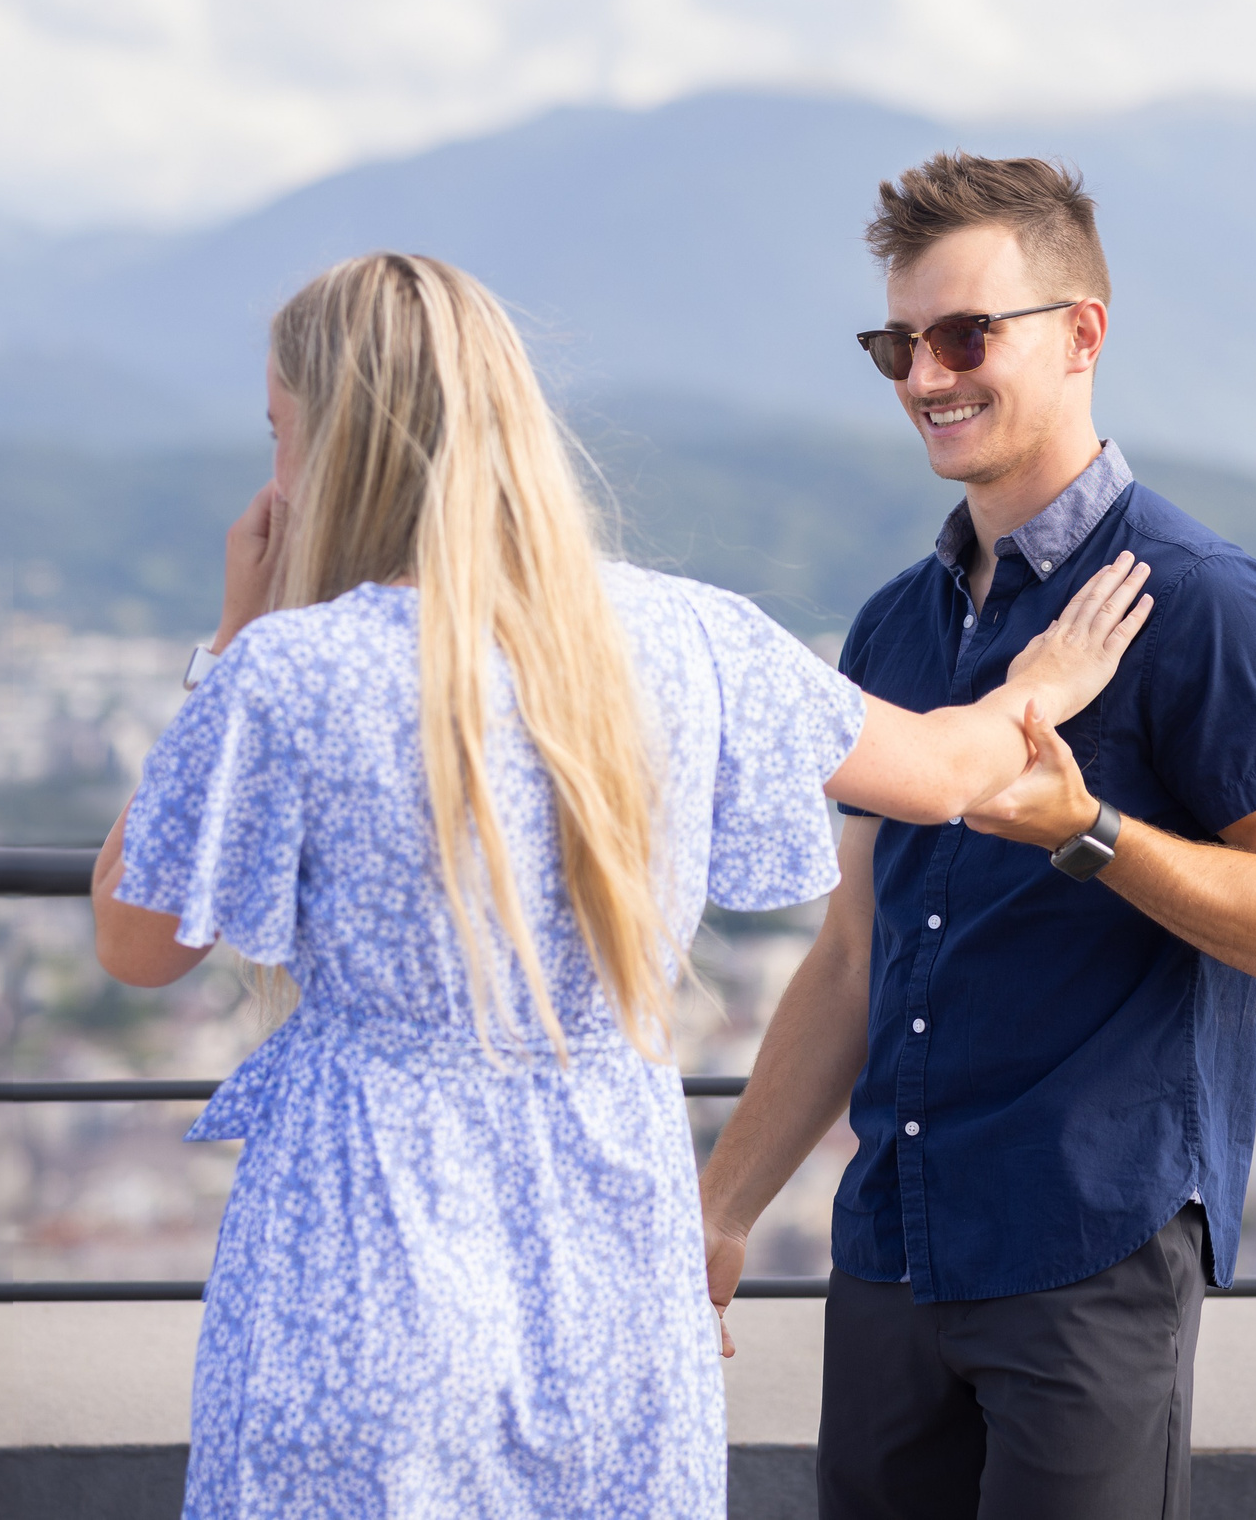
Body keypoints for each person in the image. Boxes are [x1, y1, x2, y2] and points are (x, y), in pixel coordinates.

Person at [86, 252, 1156, 1519]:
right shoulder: (688, 637)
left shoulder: (293, 675)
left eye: (282, 433)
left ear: (337, 446)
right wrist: (1040, 685)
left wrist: (230, 640)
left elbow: (138, 939)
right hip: (611, 1232)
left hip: (366, 1236)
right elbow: (941, 773)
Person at [697, 154, 1256, 1520]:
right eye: (898, 343)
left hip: (1088, 1250)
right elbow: (852, 952)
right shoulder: (895, 625)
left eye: (963, 336)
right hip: (891, 1245)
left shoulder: (1205, 606)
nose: (925, 376)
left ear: (1081, 335)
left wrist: (1092, 831)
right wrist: (720, 1207)